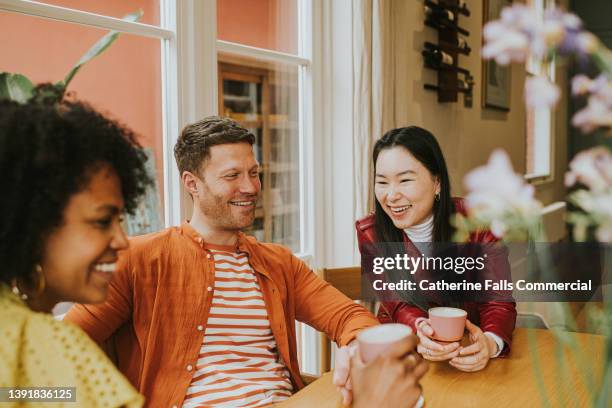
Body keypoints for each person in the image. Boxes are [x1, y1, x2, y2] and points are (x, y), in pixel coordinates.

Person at [65, 116, 382, 407]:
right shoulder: (139, 260)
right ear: (192, 184)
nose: (250, 187)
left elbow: (350, 317)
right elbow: (61, 347)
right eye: (232, 175)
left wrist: (354, 349)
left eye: (254, 173)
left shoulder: (279, 262)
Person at [0, 96, 151, 407]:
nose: (122, 240)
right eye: (101, 221)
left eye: (120, 220)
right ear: (34, 223)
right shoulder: (53, 348)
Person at [356, 126, 517, 372]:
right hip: (403, 353)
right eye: (382, 182)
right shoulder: (372, 233)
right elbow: (398, 305)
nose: (391, 196)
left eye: (405, 180)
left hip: (467, 354)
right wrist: (421, 330)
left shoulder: (479, 220)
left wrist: (491, 342)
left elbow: (498, 301)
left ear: (437, 182)